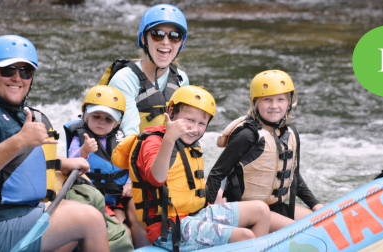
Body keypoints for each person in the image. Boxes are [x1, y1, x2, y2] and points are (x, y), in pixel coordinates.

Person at [0, 35, 109, 251]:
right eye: (8, 70)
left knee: (69, 236)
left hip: (8, 214)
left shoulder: (8, 109)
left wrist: (60, 163)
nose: (17, 78)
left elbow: (12, 162)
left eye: (25, 72)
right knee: (91, 220)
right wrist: (20, 140)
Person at [112, 85, 291, 252]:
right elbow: (157, 178)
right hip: (168, 227)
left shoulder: (188, 143)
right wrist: (169, 139)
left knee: (260, 210)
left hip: (196, 214)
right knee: (245, 236)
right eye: (190, 120)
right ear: (171, 112)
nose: (195, 129)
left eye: (201, 124)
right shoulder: (153, 142)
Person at [206, 70, 325, 223]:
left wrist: (315, 204)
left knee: (323, 220)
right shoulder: (247, 136)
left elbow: (294, 175)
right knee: (303, 230)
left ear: (289, 102)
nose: (274, 106)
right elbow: (217, 174)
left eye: (280, 99)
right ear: (254, 103)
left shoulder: (291, 133)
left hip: (275, 207)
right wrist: (207, 214)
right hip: (247, 213)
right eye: (267, 99)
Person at [108, 3, 190, 136]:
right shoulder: (124, 81)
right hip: (134, 152)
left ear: (181, 43)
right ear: (144, 39)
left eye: (174, 36)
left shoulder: (181, 79)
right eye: (157, 34)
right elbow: (130, 138)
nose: (165, 42)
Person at [64, 85, 133, 240]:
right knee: (123, 232)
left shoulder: (123, 141)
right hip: (90, 197)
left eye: (108, 119)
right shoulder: (79, 139)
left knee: (127, 228)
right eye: (96, 117)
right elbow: (71, 163)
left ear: (116, 123)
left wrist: (129, 183)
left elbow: (130, 167)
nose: (101, 122)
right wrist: (85, 150)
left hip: (116, 197)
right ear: (86, 116)